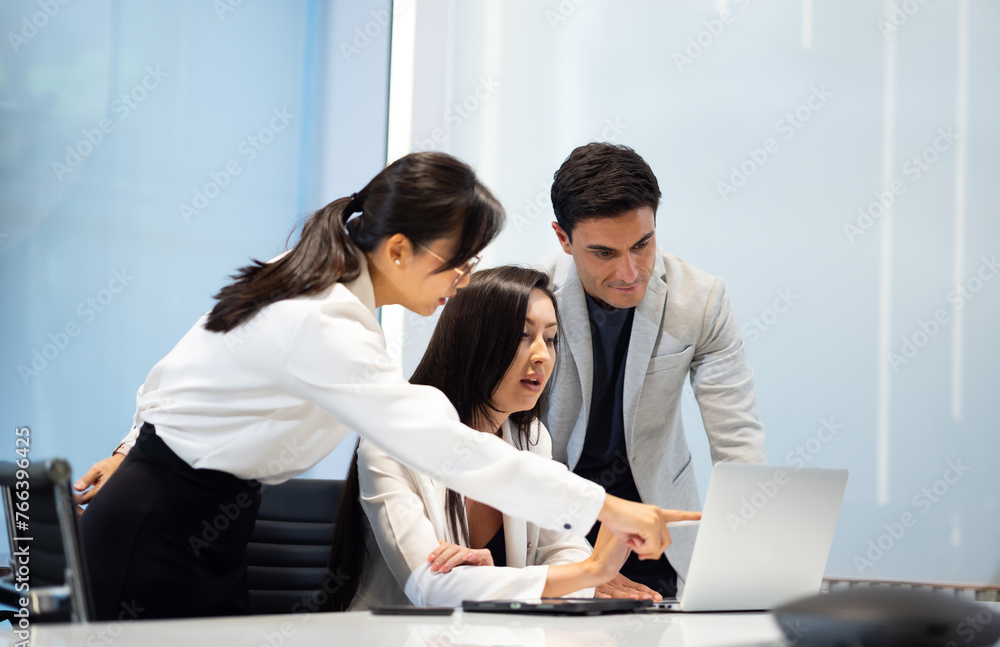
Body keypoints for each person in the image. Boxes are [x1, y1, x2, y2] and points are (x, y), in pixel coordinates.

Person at [75, 152, 678, 621]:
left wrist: (132, 449)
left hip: (214, 518)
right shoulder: (321, 317)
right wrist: (608, 507)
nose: (462, 283)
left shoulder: (315, 292)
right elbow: (449, 448)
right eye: (458, 263)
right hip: (161, 528)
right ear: (397, 250)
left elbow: (179, 383)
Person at [323, 267, 699, 610]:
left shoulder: (531, 438)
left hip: (487, 646)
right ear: (473, 343)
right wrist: (592, 572)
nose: (542, 356)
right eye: (523, 336)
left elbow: (566, 550)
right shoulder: (390, 444)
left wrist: (493, 577)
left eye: (550, 339)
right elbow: (431, 588)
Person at [537, 143, 767, 600]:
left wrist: (750, 561)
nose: (630, 271)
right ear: (563, 239)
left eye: (642, 245)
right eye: (603, 253)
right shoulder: (531, 297)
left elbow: (737, 439)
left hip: (654, 534)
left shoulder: (701, 299)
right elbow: (501, 437)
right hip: (548, 530)